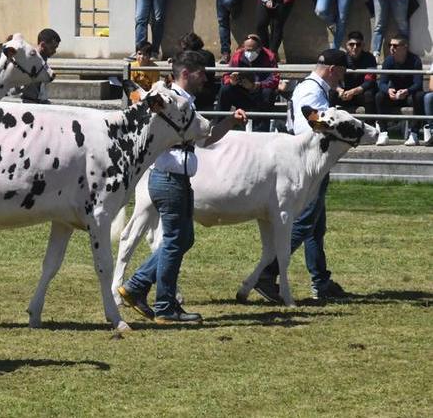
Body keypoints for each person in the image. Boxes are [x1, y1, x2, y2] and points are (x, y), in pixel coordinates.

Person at [118, 50, 247, 323]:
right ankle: (165, 306)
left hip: (173, 178)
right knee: (176, 241)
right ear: (186, 73)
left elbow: (206, 138)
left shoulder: (184, 102)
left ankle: (137, 286)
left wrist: (231, 121)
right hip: (168, 178)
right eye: (202, 73)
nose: (206, 79)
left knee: (182, 239)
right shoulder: (169, 101)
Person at [254, 49, 350, 303]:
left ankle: (321, 281)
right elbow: (308, 130)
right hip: (308, 165)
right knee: (305, 222)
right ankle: (266, 274)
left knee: (315, 227)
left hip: (312, 164)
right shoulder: (311, 91)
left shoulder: (313, 89)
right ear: (333, 69)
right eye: (342, 72)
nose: (343, 78)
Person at [216, 34, 279, 131]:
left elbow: (274, 79)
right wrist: (231, 81)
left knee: (268, 93)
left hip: (259, 95)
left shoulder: (269, 56)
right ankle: (218, 125)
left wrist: (256, 86)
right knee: (225, 89)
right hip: (242, 94)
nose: (249, 53)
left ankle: (261, 131)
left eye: (252, 50)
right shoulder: (238, 55)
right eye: (247, 50)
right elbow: (226, 75)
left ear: (259, 48)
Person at [374, 34, 424, 146]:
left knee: (419, 96)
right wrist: (388, 90)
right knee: (379, 96)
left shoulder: (415, 60)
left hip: (409, 95)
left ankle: (414, 134)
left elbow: (418, 83)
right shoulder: (388, 61)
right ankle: (383, 132)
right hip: (395, 95)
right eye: (390, 45)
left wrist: (407, 91)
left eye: (395, 46)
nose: (392, 48)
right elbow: (382, 82)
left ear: (405, 47)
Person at [331, 31, 377, 116]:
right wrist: (340, 90)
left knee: (369, 94)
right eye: (351, 44)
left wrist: (353, 92)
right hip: (345, 94)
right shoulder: (341, 58)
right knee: (332, 93)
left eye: (358, 44)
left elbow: (369, 81)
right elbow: (333, 78)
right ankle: (328, 124)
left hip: (361, 94)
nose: (355, 47)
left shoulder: (369, 58)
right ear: (347, 45)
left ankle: (370, 126)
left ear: (363, 45)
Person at [179, 32, 219, 111]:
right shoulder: (209, 54)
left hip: (196, 93)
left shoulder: (189, 56)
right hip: (208, 93)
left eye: (184, 48)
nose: (182, 50)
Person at [20, 28, 60, 104]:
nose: (54, 51)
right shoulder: (30, 60)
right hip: (28, 103)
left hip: (40, 102)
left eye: (55, 48)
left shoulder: (43, 60)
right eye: (52, 48)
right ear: (42, 45)